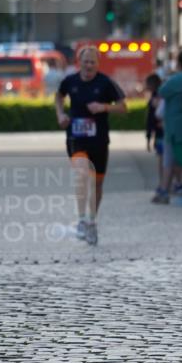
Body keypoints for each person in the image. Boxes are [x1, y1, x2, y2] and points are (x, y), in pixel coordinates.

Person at [55, 46, 127, 245]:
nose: (89, 65)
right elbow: (58, 96)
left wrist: (103, 107)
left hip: (99, 139)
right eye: (85, 61)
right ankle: (80, 220)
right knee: (81, 174)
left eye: (92, 62)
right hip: (76, 137)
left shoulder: (105, 83)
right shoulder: (70, 81)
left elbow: (123, 107)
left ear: (98, 63)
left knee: (97, 183)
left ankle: (92, 221)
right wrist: (60, 114)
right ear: (79, 62)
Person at [159, 48, 182, 204]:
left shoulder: (176, 79)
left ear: (179, 63)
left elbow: (161, 91)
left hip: (176, 126)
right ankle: (170, 190)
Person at [145, 72, 167, 203]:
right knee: (163, 159)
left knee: (162, 160)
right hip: (159, 132)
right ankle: (164, 183)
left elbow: (151, 119)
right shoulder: (158, 95)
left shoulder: (157, 96)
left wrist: (148, 136)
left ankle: (163, 184)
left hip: (160, 132)